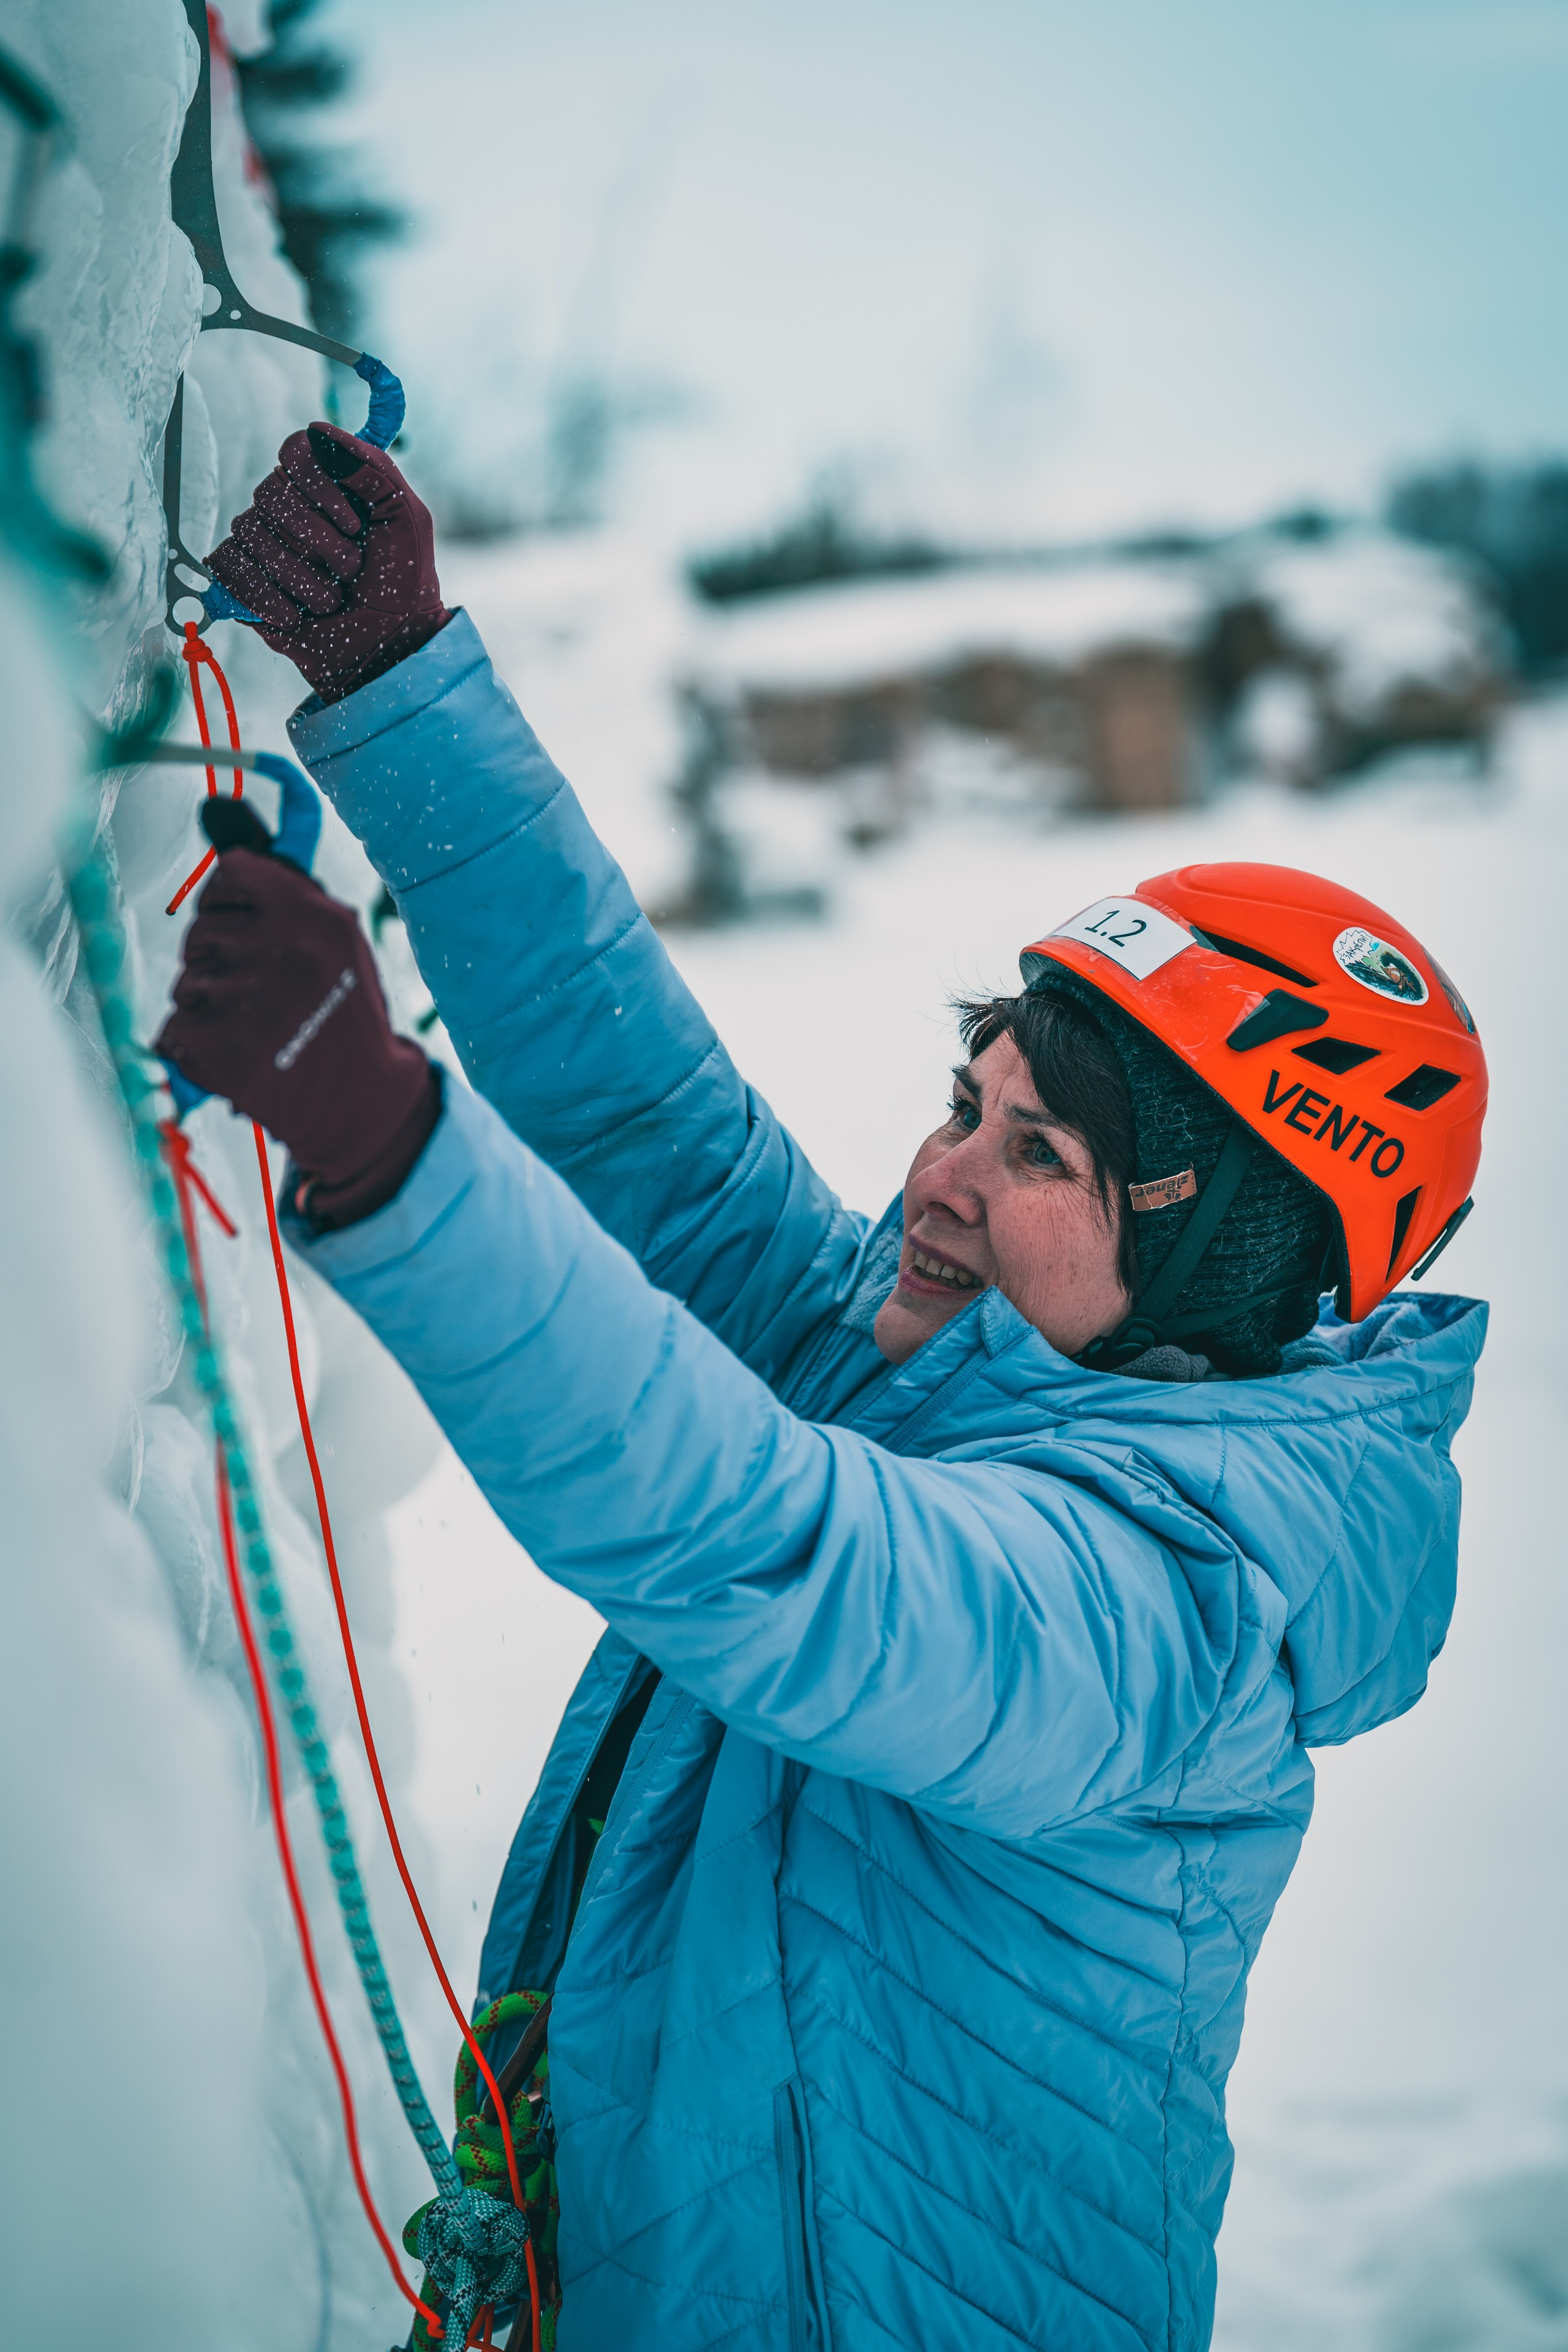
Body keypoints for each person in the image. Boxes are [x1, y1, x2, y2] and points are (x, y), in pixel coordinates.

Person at [159, 425, 1489, 2352]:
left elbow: (791, 1564)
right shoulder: (934, 1350)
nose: (938, 1179)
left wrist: (391, 1147)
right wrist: (404, 686)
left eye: (1041, 1159)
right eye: (971, 1106)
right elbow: (660, 1137)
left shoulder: (1173, 1628)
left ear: (1222, 1266)